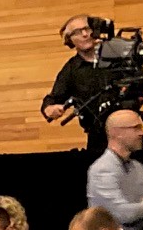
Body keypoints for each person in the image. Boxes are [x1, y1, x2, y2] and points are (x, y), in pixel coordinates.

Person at [43, 14, 118, 156]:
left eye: (87, 28)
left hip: (126, 129)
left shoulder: (116, 56)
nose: (84, 34)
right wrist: (49, 109)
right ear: (69, 40)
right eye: (77, 32)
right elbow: (53, 99)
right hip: (97, 136)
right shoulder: (71, 70)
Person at [84, 109, 143, 228]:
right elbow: (119, 213)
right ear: (116, 132)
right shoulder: (101, 170)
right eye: (135, 128)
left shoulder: (138, 167)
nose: (141, 133)